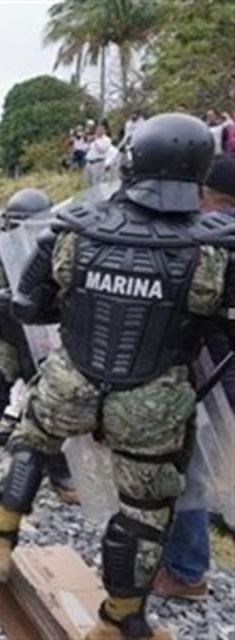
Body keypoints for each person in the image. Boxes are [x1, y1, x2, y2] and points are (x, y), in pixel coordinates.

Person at [0, 113, 234, 640]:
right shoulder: (214, 249)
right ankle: (119, 620)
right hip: (153, 395)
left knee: (32, 443)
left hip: (72, 377)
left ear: (132, 160)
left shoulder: (77, 227)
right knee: (145, 507)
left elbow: (30, 306)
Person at [0, 188, 77, 501]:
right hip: (6, 339)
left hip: (45, 341)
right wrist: (16, 300)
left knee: (51, 408)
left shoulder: (56, 252)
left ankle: (61, 474)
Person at [154, 153, 235, 602]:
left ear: (205, 195)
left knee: (190, 472)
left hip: (216, 376)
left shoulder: (211, 241)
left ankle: (186, 572)